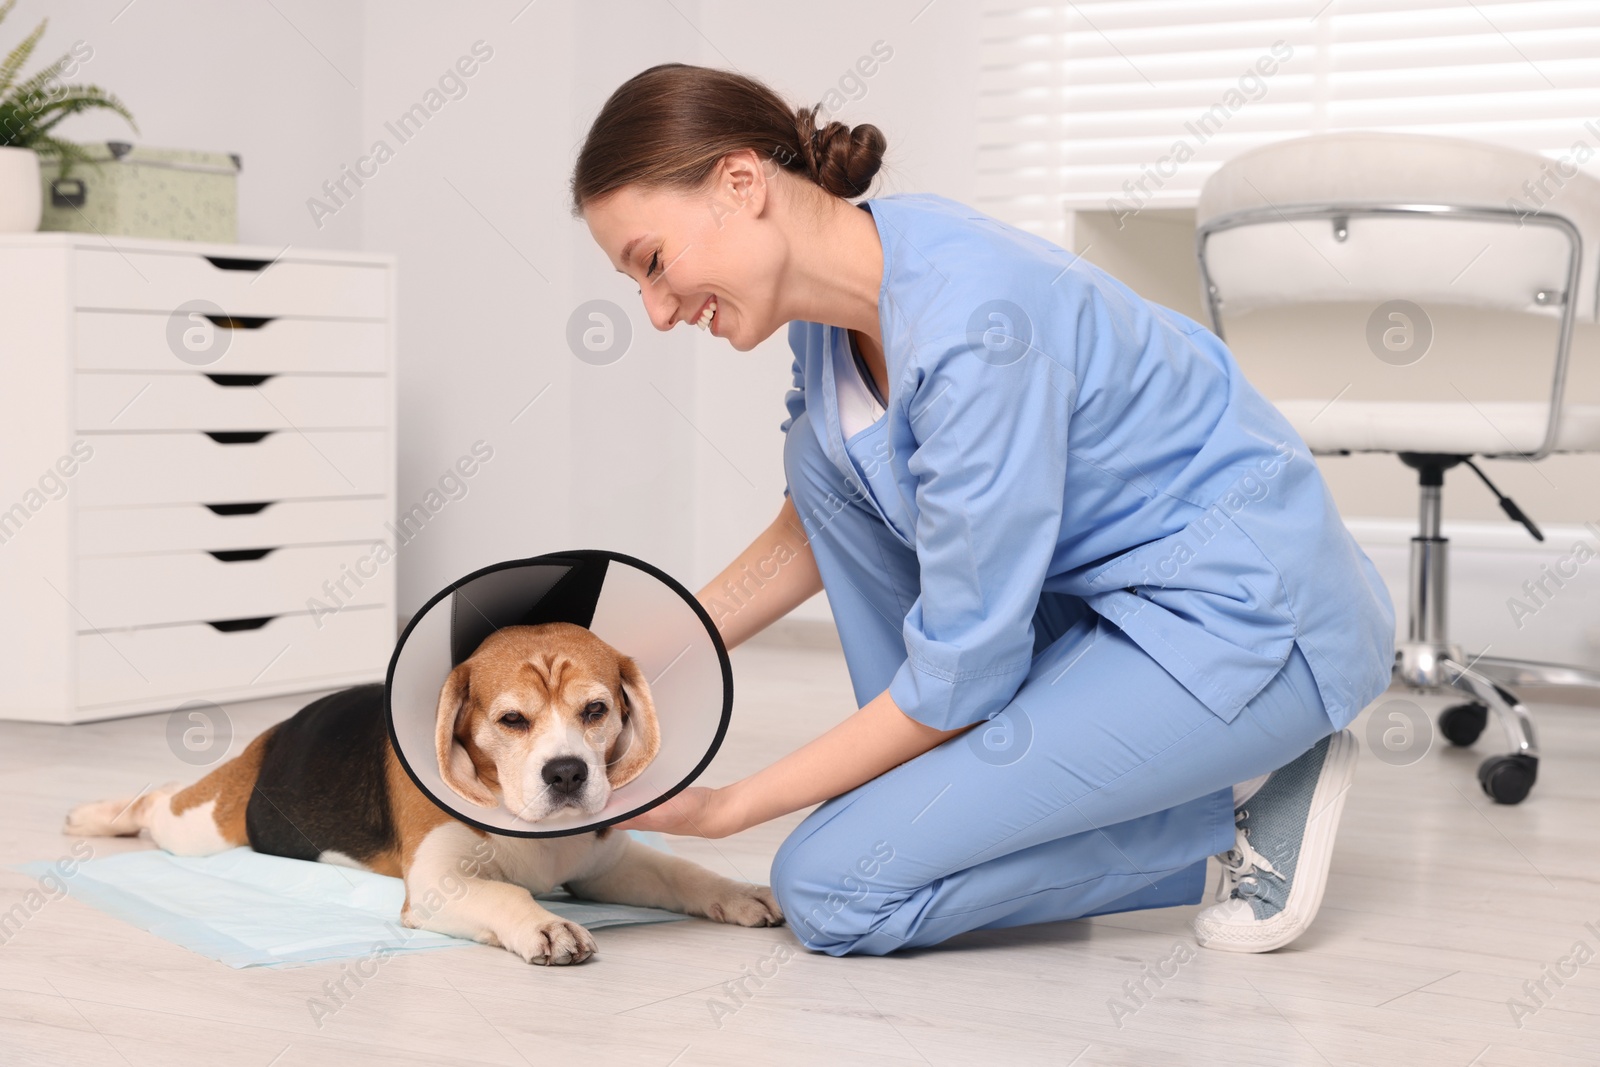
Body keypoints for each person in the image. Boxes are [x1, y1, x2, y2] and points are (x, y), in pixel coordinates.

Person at [571, 63, 1397, 957]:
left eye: (653, 263)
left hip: (1242, 618)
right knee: (821, 455)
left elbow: (961, 672)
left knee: (832, 887)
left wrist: (730, 807)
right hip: (1101, 602)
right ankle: (1006, 791)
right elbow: (820, 518)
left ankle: (1228, 807)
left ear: (740, 183)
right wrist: (635, 654)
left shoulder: (972, 332)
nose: (654, 311)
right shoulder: (838, 303)